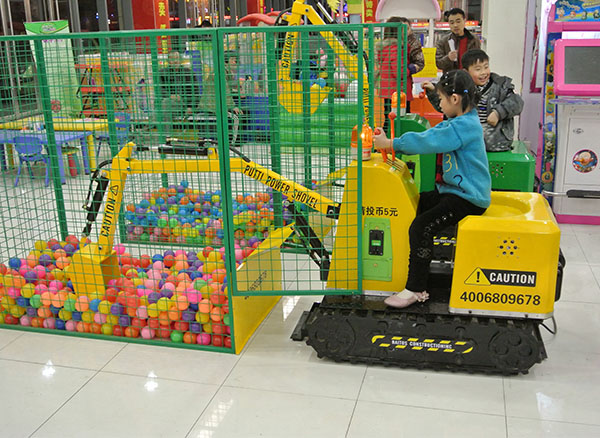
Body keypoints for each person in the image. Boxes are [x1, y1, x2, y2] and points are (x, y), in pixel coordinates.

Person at [373, 70, 491, 308]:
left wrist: (391, 143)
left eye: (442, 99)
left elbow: (429, 140)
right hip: (454, 191)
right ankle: (416, 262)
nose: (441, 105)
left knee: (421, 226)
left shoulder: (462, 127)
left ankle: (416, 288)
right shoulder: (462, 120)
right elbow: (436, 131)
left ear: (455, 99)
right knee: (416, 203)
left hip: (468, 199)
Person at [376, 17, 424, 134]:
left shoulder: (385, 48)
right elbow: (399, 73)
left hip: (388, 90)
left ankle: (385, 140)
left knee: (389, 118)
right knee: (401, 120)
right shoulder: (397, 48)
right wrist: (410, 69)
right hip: (398, 92)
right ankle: (395, 141)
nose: (406, 32)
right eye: (403, 29)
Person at [158, 51, 201, 132]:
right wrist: (170, 96)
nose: (175, 61)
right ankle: (167, 136)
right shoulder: (162, 73)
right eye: (172, 59)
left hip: (183, 104)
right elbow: (159, 89)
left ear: (180, 60)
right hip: (168, 105)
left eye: (177, 58)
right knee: (166, 106)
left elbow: (195, 92)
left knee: (163, 108)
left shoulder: (189, 73)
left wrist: (191, 107)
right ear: (168, 61)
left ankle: (162, 135)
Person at [435, 8, 480, 74]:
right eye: (452, 22)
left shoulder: (474, 39)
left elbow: (479, 60)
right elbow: (438, 64)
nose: (455, 25)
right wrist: (448, 58)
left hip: (470, 77)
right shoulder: (443, 42)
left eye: (458, 21)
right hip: (451, 78)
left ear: (464, 21)